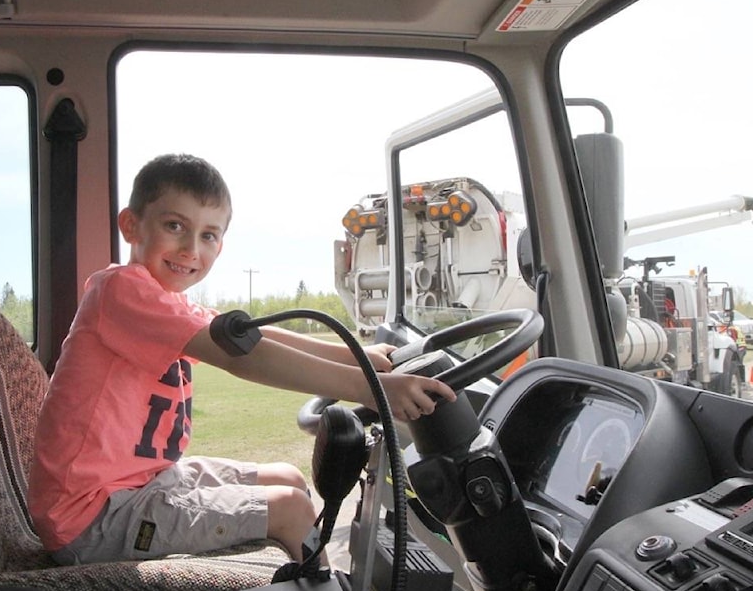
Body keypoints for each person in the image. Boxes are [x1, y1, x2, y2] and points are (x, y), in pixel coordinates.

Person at [27, 153, 456, 566]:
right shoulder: (121, 291)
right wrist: (370, 387)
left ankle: (294, 589)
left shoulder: (163, 302)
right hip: (90, 516)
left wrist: (356, 355)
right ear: (131, 226)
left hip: (143, 481)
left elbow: (249, 333)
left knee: (288, 477)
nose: (191, 249)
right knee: (289, 508)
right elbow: (242, 356)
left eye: (209, 235)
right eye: (175, 226)